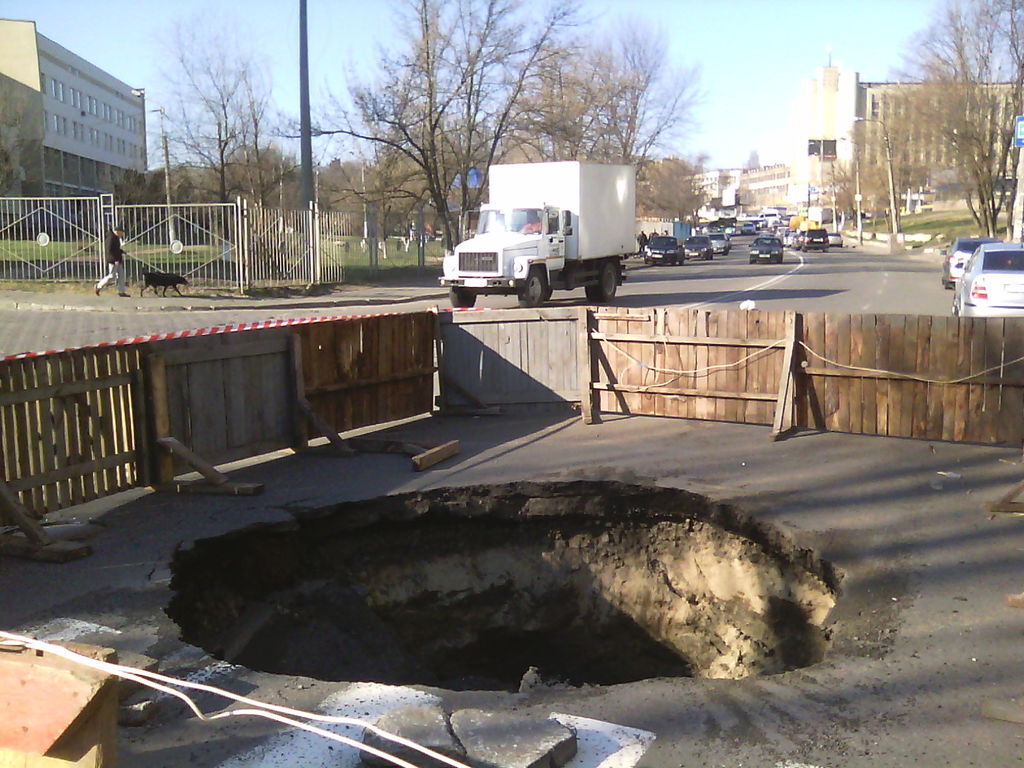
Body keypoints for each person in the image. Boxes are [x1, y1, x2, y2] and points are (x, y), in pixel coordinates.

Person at [96, 224, 129, 297]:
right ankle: (99, 285)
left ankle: (121, 292)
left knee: (121, 276)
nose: (122, 234)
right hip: (113, 260)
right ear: (117, 231)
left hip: (118, 259)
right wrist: (114, 260)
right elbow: (109, 250)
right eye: (121, 233)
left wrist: (122, 251)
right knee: (112, 276)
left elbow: (116, 249)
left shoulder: (116, 237)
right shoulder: (110, 238)